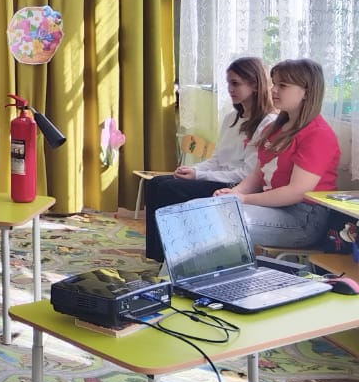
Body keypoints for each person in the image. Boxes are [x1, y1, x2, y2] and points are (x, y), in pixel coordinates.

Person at [143, 57, 277, 261]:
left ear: (255, 85)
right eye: (228, 83)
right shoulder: (231, 118)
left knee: (169, 189)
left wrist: (199, 175)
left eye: (235, 83)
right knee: (155, 183)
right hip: (218, 177)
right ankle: (157, 255)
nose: (230, 89)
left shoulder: (267, 123)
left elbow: (246, 174)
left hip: (236, 185)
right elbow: (216, 159)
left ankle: (172, 256)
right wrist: (194, 170)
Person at [214, 58, 342, 249]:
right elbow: (257, 176)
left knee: (222, 221)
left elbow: (297, 192)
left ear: (307, 92)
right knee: (203, 210)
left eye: (282, 85)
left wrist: (244, 199)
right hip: (272, 206)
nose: (273, 90)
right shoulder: (274, 128)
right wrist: (235, 193)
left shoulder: (318, 134)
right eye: (274, 83)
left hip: (303, 218)